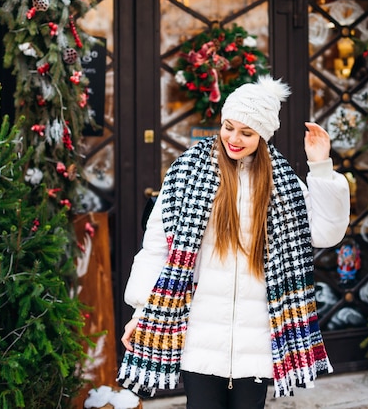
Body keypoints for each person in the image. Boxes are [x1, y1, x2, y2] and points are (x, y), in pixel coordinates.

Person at [117, 76, 350, 408]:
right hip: (199, 330)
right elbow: (158, 249)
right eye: (229, 127)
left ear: (263, 136)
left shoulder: (282, 184)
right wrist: (142, 311)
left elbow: (327, 234)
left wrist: (321, 166)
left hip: (257, 333)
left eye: (247, 132)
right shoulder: (186, 173)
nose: (234, 139)